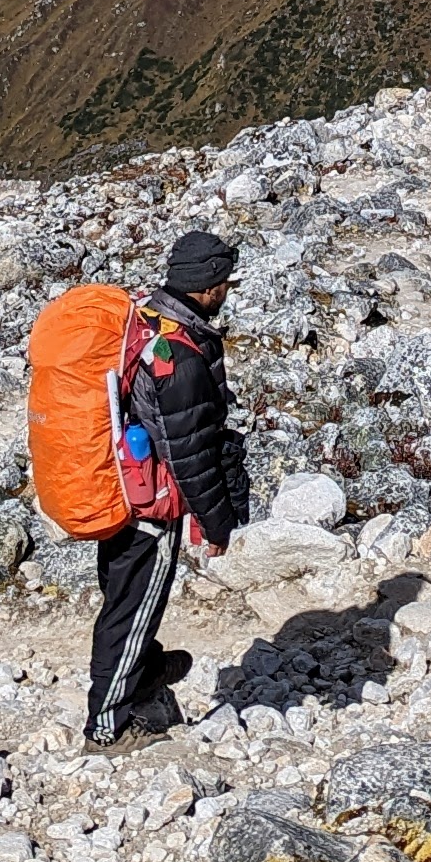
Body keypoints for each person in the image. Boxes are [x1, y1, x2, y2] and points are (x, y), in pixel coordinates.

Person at [89, 227, 250, 745]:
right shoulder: (178, 356)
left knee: (122, 595)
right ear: (206, 286)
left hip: (115, 484)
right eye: (225, 281)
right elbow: (191, 450)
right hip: (150, 503)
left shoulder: (148, 320)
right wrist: (216, 521)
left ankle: (144, 666)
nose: (227, 290)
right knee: (133, 605)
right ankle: (108, 726)